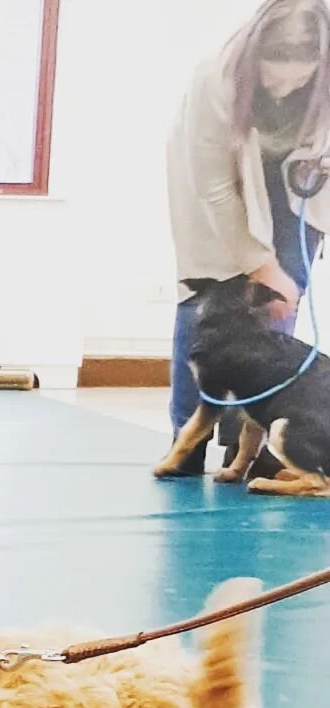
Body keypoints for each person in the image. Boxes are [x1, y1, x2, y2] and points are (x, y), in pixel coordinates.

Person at [165, 0, 330, 476]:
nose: (285, 88)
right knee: (209, 308)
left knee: (277, 311)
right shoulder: (213, 80)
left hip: (297, 190)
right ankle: (187, 443)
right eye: (273, 77)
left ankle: (261, 449)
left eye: (300, 79)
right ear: (253, 56)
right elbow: (213, 188)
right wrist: (259, 263)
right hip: (222, 186)